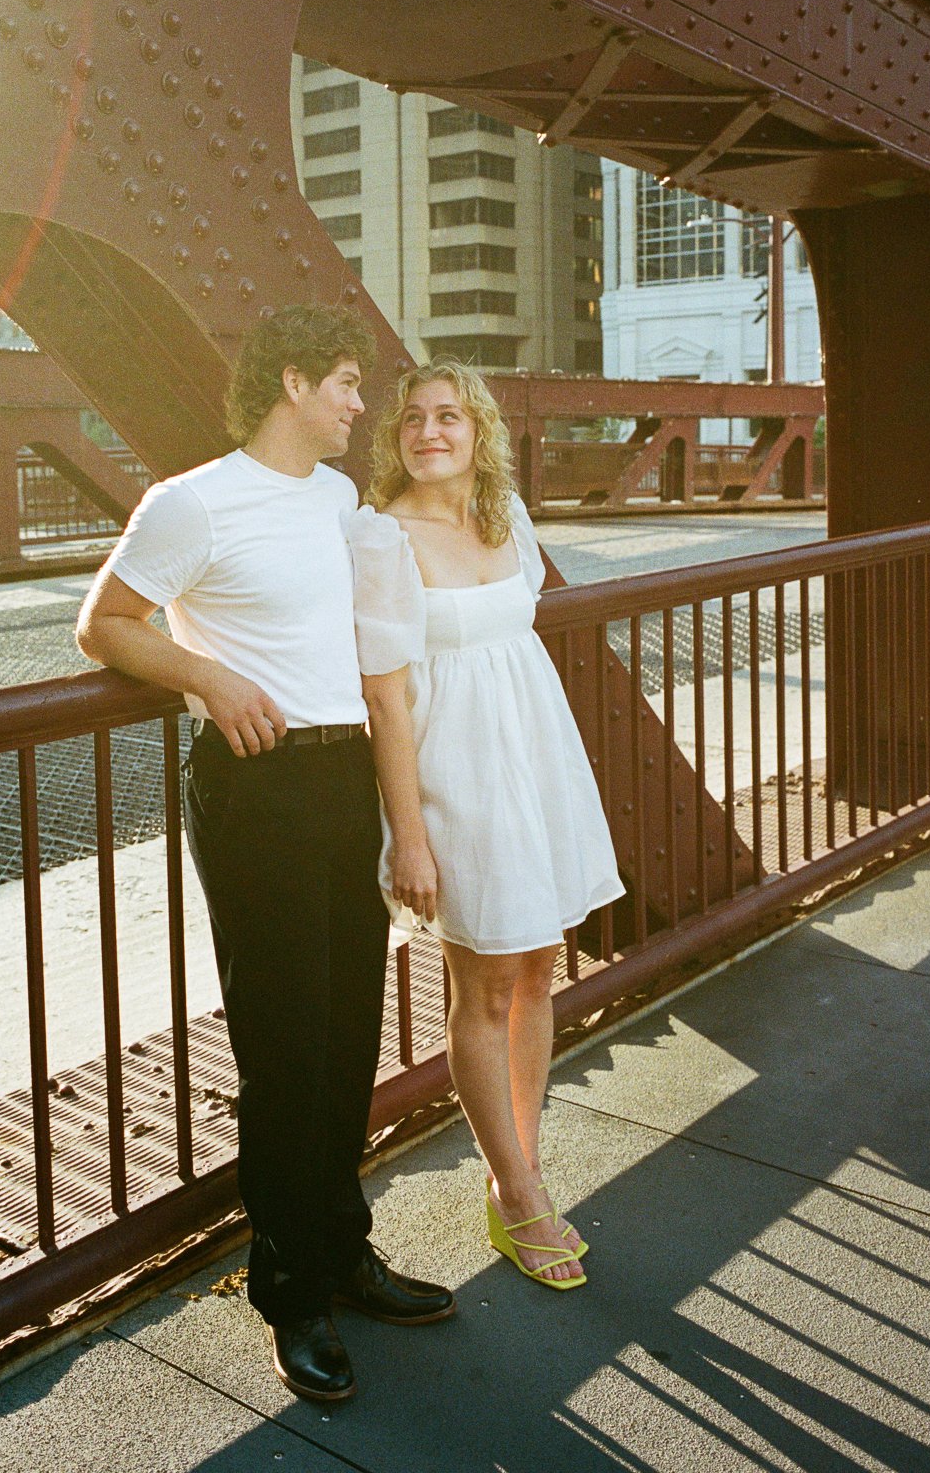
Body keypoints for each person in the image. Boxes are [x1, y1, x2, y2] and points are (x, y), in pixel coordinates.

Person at [76, 306, 454, 1404]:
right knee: (284, 1045)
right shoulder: (190, 501)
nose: (357, 405)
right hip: (256, 784)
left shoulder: (335, 499)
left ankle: (342, 1249)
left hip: (340, 780)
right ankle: (291, 1290)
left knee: (345, 1034)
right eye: (343, 382)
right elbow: (105, 623)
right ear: (292, 383)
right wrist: (208, 676)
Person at [350, 360, 625, 1291]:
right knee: (484, 985)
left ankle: (525, 1175)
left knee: (537, 967)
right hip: (451, 779)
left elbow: (517, 644)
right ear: (396, 436)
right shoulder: (380, 537)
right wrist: (410, 836)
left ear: (479, 434)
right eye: (413, 417)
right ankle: (516, 1195)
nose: (430, 432)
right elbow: (384, 698)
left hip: (535, 762)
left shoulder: (508, 520)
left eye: (450, 418)